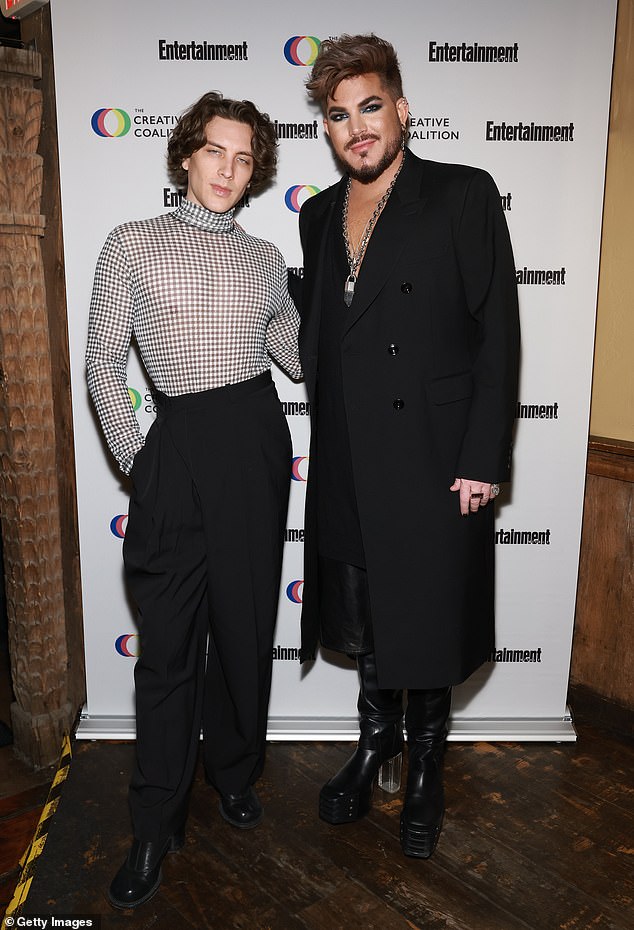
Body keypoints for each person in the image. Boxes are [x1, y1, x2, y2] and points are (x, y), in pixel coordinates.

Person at [294, 35, 520, 859]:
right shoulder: (318, 215)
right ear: (326, 129)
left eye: (369, 106)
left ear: (402, 108)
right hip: (350, 459)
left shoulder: (462, 194)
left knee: (426, 618)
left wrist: (482, 460)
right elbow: (323, 335)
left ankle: (426, 763)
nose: (356, 127)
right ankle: (375, 742)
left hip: (432, 458)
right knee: (366, 619)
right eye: (337, 115)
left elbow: (497, 335)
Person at [86, 91, 301, 908]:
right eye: (217, 152)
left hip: (254, 445)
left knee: (245, 633)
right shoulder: (131, 244)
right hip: (176, 448)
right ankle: (153, 823)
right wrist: (142, 460)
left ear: (256, 173)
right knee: (170, 652)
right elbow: (104, 363)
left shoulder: (263, 260)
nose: (230, 170)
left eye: (245, 159)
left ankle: (234, 772)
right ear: (186, 154)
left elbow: (297, 358)